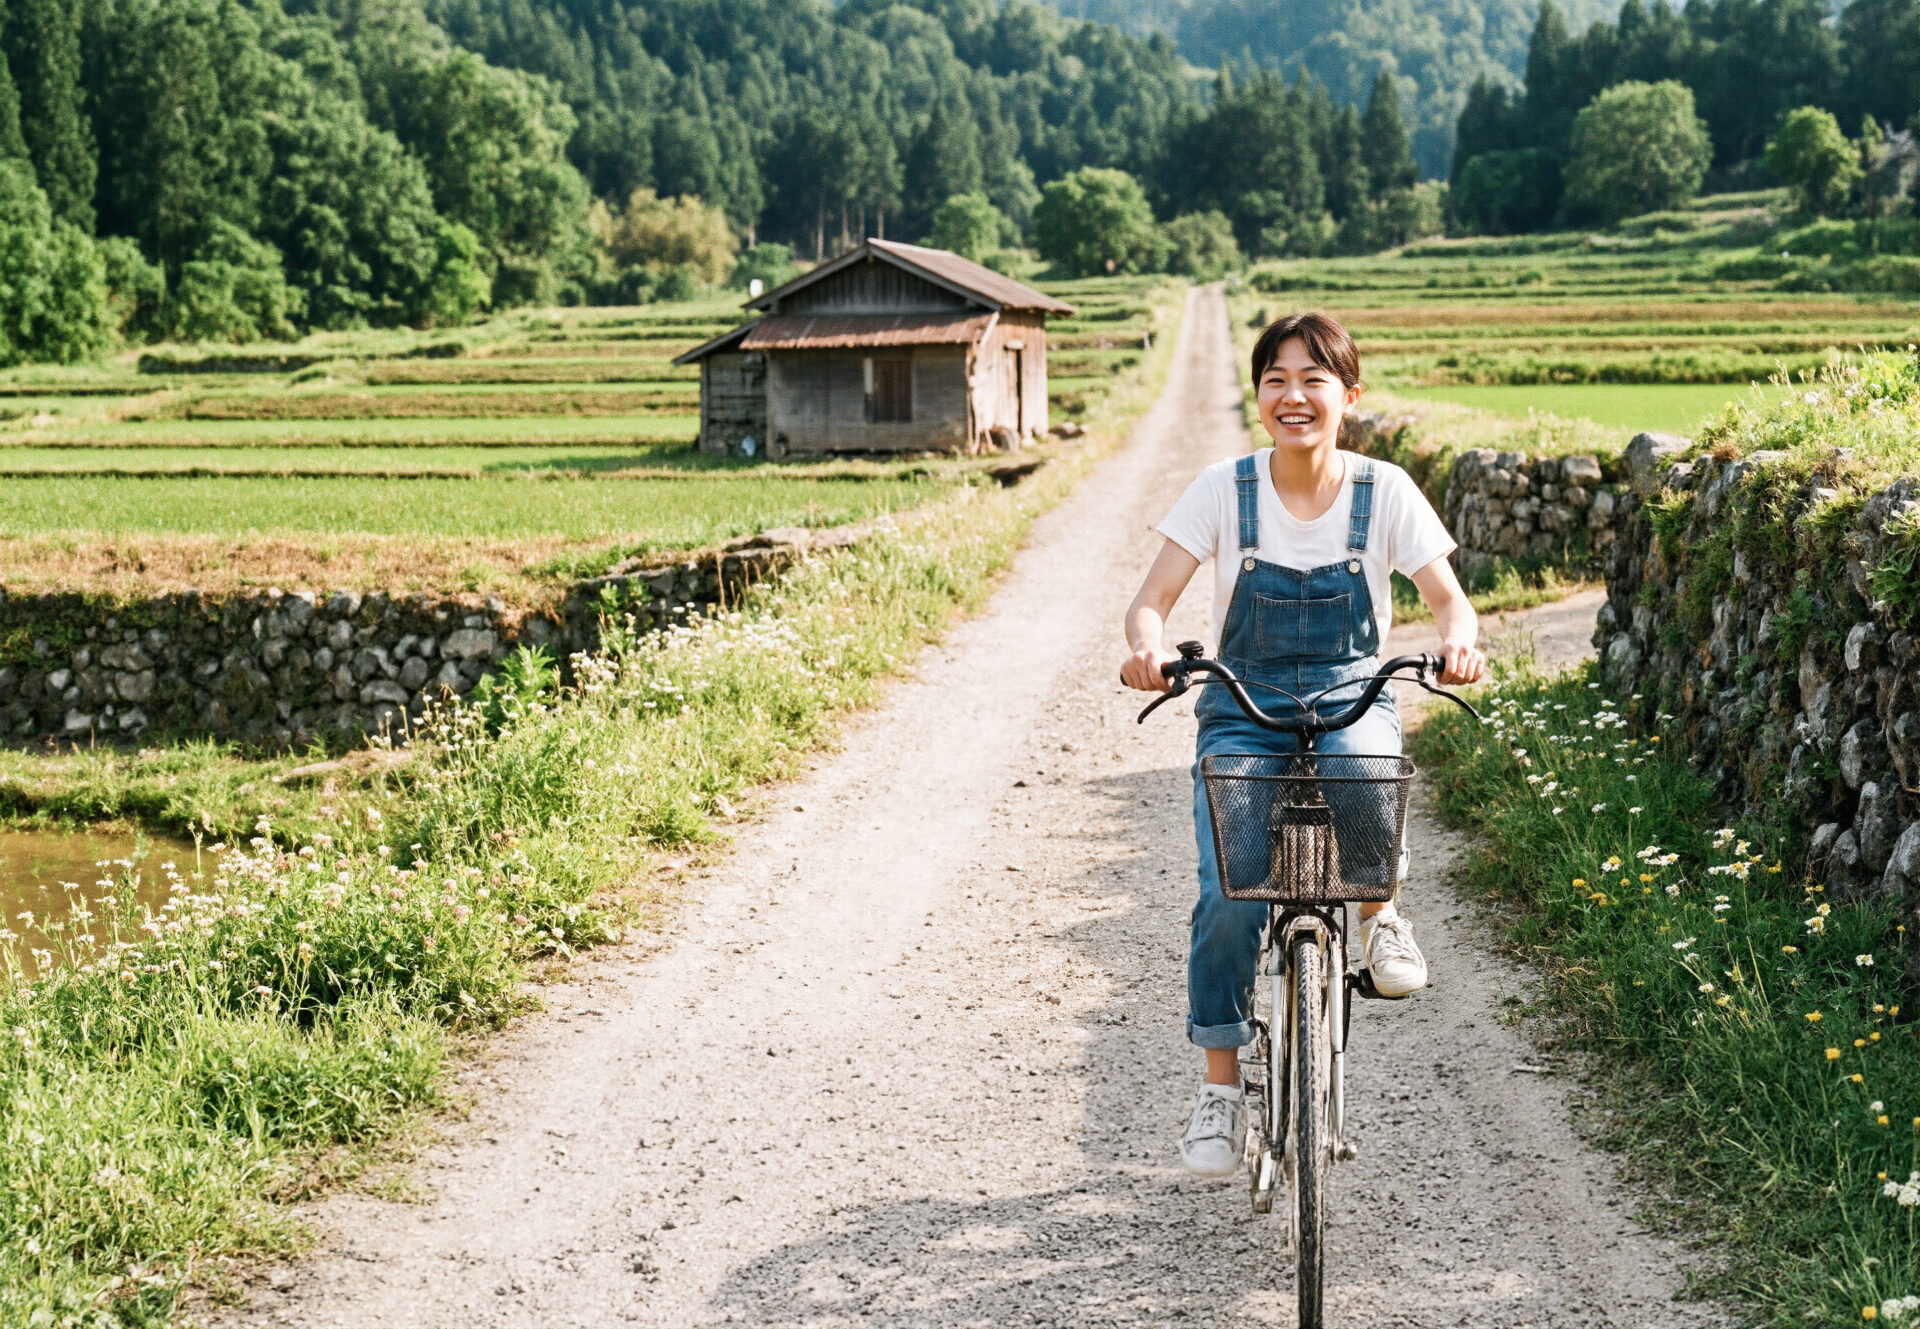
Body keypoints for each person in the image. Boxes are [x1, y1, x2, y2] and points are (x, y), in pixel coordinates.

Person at [1120, 311, 1487, 1178]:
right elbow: (1151, 600)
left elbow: (1449, 600)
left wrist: (1459, 642)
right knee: (1231, 898)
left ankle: (1380, 918)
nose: (1294, 395)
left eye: (1314, 378)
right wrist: (1147, 647)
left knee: (1367, 772)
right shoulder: (1224, 489)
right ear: (1259, 397)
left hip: (1347, 688)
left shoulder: (1383, 490)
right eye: (1277, 379)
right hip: (1243, 703)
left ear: (1347, 397)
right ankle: (1219, 1092)